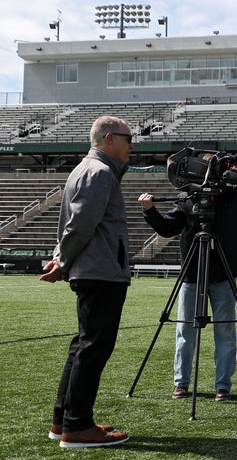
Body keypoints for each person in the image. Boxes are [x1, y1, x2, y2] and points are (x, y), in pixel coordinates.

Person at [138, 161, 237, 401]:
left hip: (224, 274)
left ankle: (223, 386)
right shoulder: (189, 197)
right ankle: (180, 384)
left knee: (225, 332)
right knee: (184, 331)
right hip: (192, 275)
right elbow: (168, 228)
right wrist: (149, 210)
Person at [40, 116, 134, 448]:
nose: (131, 145)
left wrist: (59, 257)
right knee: (94, 348)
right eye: (128, 138)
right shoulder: (99, 172)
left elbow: (72, 222)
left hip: (95, 269)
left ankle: (64, 419)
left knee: (83, 345)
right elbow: (80, 225)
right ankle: (77, 427)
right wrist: (63, 261)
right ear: (110, 138)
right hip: (100, 271)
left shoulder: (89, 170)